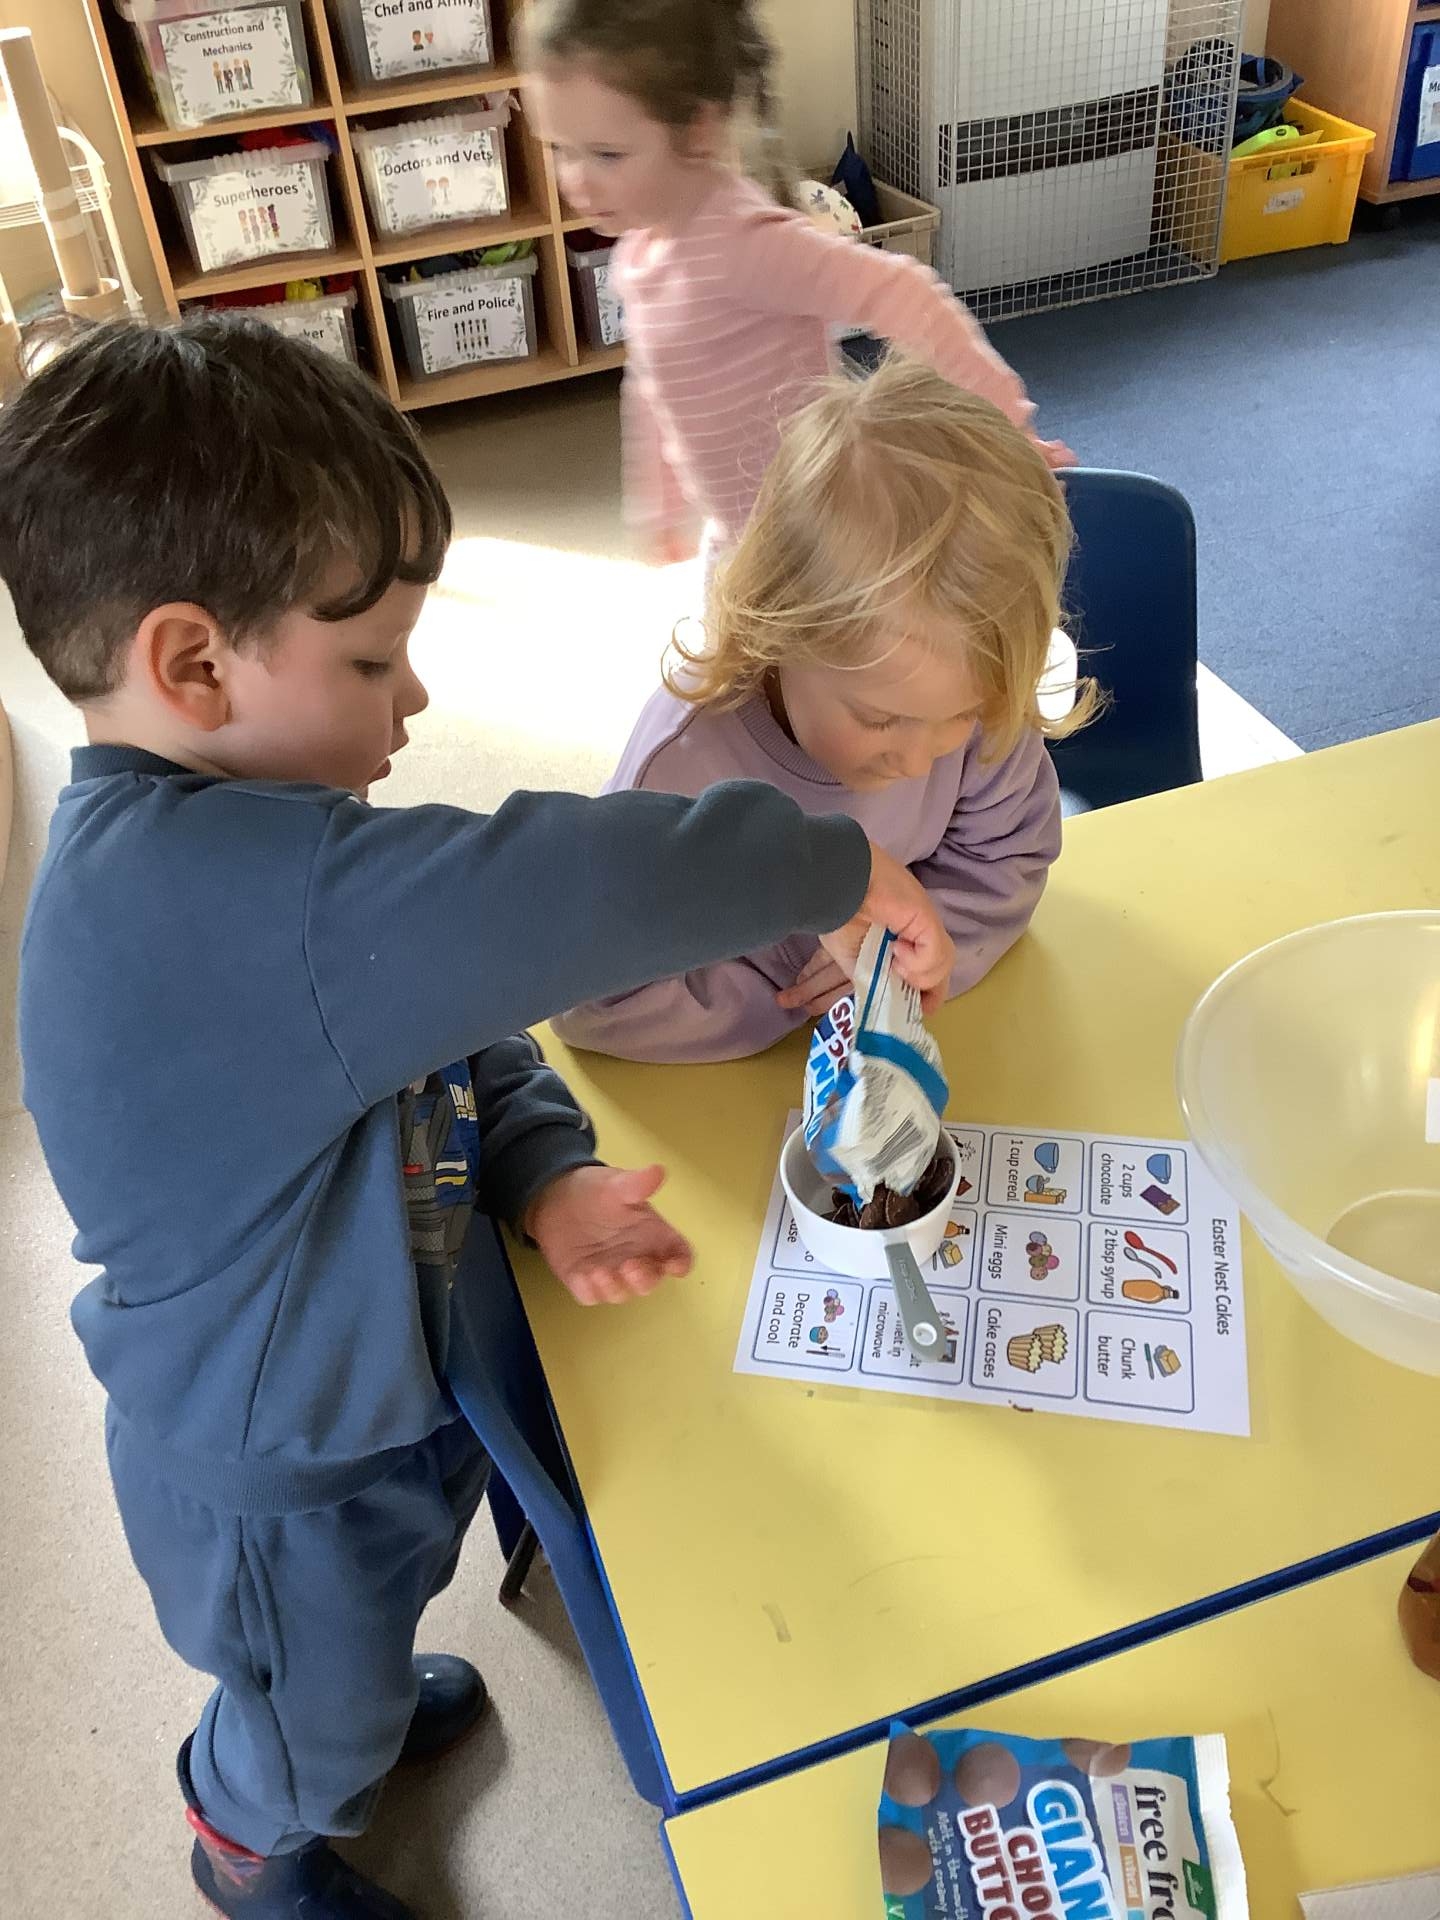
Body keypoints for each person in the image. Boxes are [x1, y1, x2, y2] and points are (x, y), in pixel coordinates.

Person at [0, 317, 952, 1920]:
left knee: (367, 1632)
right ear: (193, 665)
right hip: (278, 1465)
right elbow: (559, 888)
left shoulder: (277, 864)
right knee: (310, 1712)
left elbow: (452, 1041)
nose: (416, 695)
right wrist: (827, 861)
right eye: (371, 662)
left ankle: (337, 1713)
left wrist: (545, 1171)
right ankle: (253, 1835)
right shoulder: (222, 906)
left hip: (370, 1387)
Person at [555, 356, 1097, 1064]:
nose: (919, 759)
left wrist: (908, 960)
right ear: (779, 628)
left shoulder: (968, 692)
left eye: (960, 714)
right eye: (879, 719)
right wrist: (787, 985)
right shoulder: (681, 762)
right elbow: (591, 1001)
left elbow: (1010, 856)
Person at [525, 0, 1073, 576]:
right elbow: (652, 381)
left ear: (699, 129)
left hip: (819, 537)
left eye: (607, 155)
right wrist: (660, 507)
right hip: (744, 533)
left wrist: (1007, 421)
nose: (575, 181)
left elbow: (902, 291)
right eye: (560, 148)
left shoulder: (742, 244)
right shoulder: (640, 250)